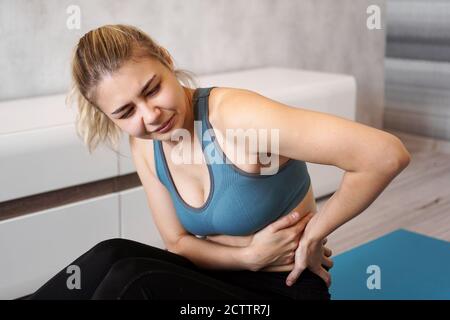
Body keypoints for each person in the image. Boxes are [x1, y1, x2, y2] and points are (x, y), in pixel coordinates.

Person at [27, 24, 410, 300]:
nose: (150, 115)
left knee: (133, 280)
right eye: (126, 111)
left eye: (153, 89)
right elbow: (177, 243)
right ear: (108, 115)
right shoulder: (145, 142)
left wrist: (312, 237)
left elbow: (383, 155)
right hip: (219, 280)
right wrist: (248, 257)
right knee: (111, 254)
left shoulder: (236, 116)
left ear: (166, 59)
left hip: (284, 291)